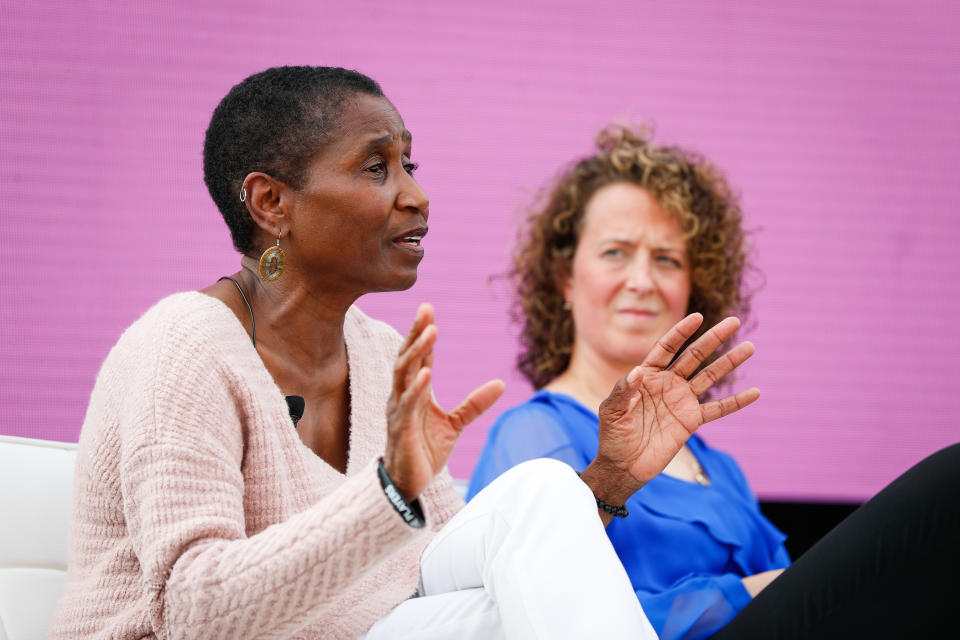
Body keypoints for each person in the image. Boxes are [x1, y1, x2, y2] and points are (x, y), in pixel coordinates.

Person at [48, 67, 761, 639]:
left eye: (410, 164)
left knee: (541, 506)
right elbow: (192, 617)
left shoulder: (379, 350)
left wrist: (605, 480)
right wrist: (387, 494)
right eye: (376, 168)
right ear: (270, 203)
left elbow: (457, 569)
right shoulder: (183, 346)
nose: (417, 196)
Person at [469, 126, 960, 639]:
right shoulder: (531, 432)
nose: (642, 280)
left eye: (667, 259)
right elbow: (530, 613)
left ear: (692, 288)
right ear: (565, 279)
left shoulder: (722, 469)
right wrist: (744, 595)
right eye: (616, 252)